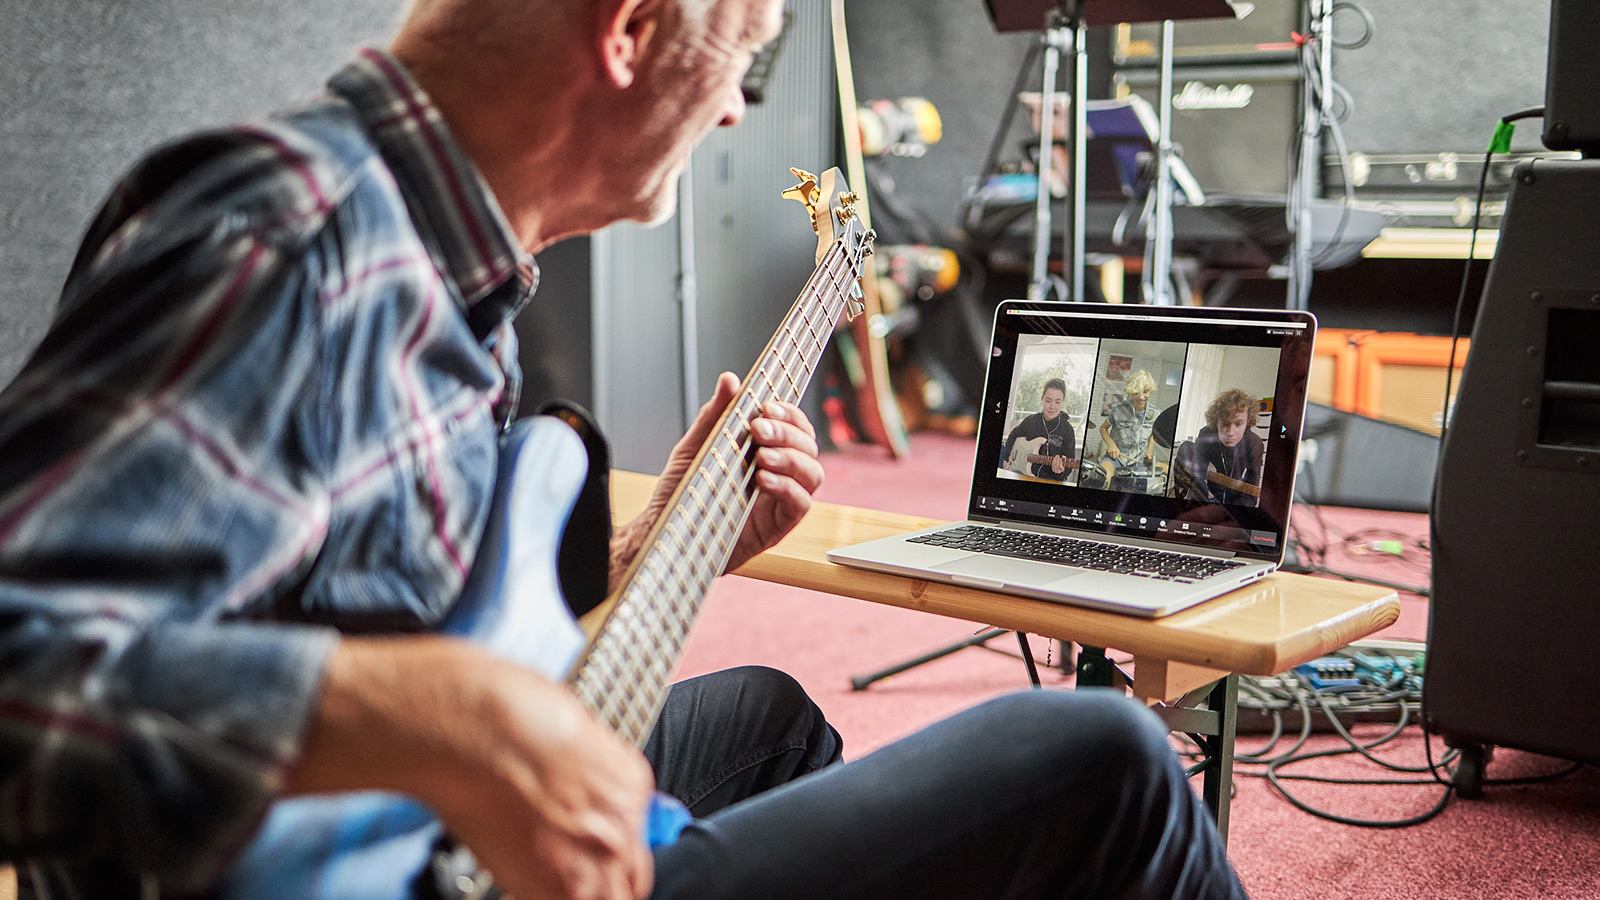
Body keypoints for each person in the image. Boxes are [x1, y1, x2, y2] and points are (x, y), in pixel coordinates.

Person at [0, 1, 1250, 898]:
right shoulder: (287, 237)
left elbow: (391, 597)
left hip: (414, 816)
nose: (726, 108)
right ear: (635, 30)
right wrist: (433, 716)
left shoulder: (447, 268)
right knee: (1104, 759)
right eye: (742, 64)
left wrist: (663, 545)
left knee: (765, 717)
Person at [1178, 389, 1265, 507]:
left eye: (1238, 424)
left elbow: (1251, 492)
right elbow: (1197, 480)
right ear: (1216, 422)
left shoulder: (1255, 443)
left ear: (1248, 422)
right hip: (1209, 495)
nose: (1230, 432)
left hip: (1236, 500)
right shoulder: (1206, 434)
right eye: (1225, 424)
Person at [1094, 369, 1167, 491]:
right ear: (1131, 392)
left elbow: (1152, 435)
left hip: (1140, 460)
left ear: (1150, 391)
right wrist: (1111, 445)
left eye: (1145, 392)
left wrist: (1149, 451)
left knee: (1168, 471)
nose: (1141, 397)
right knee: (1102, 478)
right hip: (1115, 459)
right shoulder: (1118, 409)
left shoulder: (1156, 414)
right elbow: (1103, 428)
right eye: (1137, 393)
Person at [1000, 378, 1077, 481]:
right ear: (1042, 399)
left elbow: (1068, 467)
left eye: (1057, 402)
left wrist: (1060, 471)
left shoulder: (1068, 430)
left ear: (1063, 402)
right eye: (1048, 401)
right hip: (1024, 473)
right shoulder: (1030, 421)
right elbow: (1013, 435)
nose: (1052, 407)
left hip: (1050, 478)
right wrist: (1006, 458)